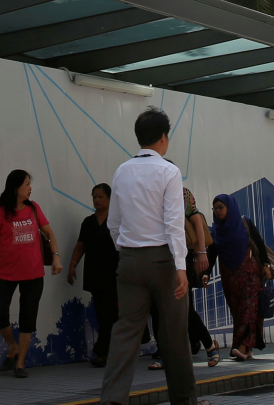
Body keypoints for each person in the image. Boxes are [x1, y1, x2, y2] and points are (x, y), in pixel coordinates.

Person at [98, 107, 204, 405]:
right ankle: (184, 400)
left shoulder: (121, 171)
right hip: (164, 262)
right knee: (174, 337)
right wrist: (181, 267)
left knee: (125, 335)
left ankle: (112, 401)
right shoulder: (168, 171)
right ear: (163, 138)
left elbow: (113, 223)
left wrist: (126, 250)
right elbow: (173, 223)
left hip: (129, 261)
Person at [0, 170, 62, 376]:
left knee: (28, 317)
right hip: (6, 273)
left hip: (33, 273)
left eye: (29, 184)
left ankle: (20, 364)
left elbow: (49, 233)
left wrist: (55, 256)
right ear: (15, 187)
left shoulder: (34, 209)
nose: (30, 188)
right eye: (26, 184)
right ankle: (13, 346)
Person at [212, 194, 270, 361]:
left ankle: (241, 346)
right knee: (239, 312)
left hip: (251, 274)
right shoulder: (216, 230)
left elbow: (259, 242)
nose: (217, 211)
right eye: (215, 209)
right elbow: (212, 252)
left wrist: (265, 265)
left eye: (220, 207)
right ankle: (248, 349)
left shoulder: (244, 223)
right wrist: (206, 272)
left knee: (248, 309)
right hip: (229, 277)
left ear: (229, 207)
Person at [69, 184, 120, 368]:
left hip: (114, 274)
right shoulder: (88, 222)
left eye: (100, 196)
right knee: (102, 314)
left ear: (109, 199)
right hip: (95, 275)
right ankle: (108, 351)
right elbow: (80, 246)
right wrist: (72, 265)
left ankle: (103, 352)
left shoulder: (117, 220)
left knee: (110, 315)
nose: (97, 200)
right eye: (94, 197)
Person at [182, 189, 220, 365]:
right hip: (160, 256)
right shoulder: (151, 194)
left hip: (182, 256)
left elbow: (197, 220)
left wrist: (201, 252)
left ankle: (208, 344)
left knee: (185, 306)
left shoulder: (182, 195)